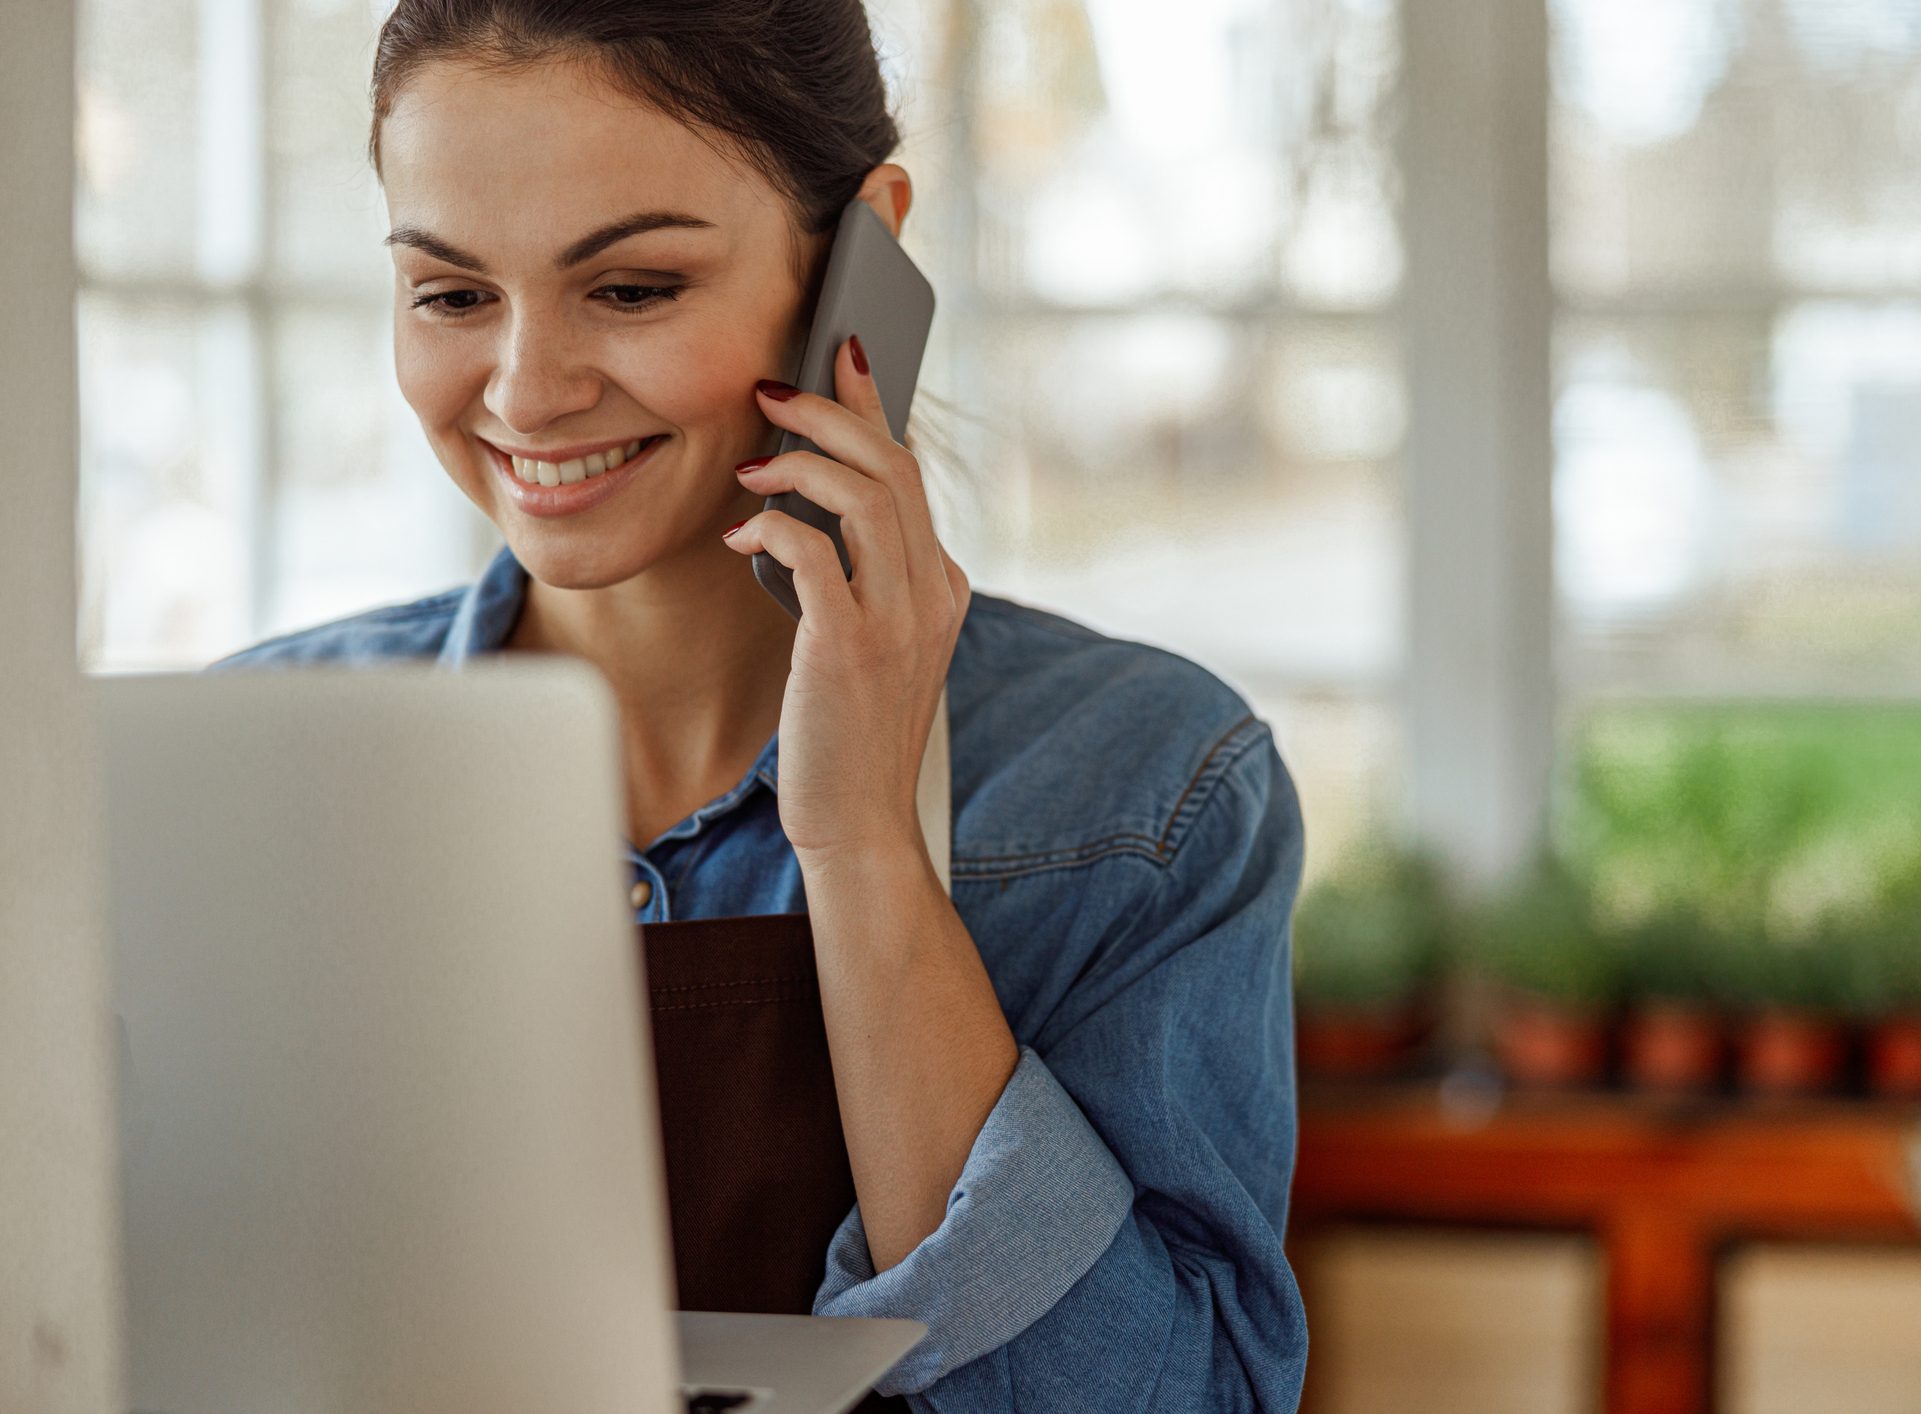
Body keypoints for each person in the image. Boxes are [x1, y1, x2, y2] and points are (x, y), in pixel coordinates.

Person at [206, 2, 1308, 1408]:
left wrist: (860, 847)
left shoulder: (1141, 790)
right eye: (451, 293)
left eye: (633, 287)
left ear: (861, 256)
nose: (527, 391)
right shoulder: (254, 763)